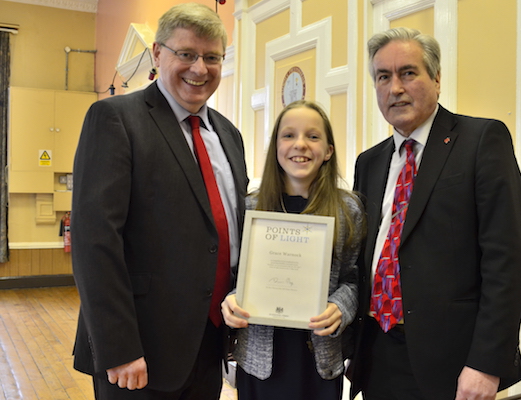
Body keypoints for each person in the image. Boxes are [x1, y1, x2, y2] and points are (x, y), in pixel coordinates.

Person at [70, 3, 248, 399]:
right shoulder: (115, 119)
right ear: (157, 53)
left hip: (208, 343)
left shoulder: (230, 136)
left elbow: (228, 232)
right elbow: (94, 242)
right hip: (138, 353)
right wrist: (119, 349)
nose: (199, 68)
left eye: (212, 57)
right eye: (186, 54)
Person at [347, 27, 521, 400]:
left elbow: (506, 262)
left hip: (453, 364)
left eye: (408, 73)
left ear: (437, 79)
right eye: (383, 77)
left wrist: (485, 363)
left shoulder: (481, 141)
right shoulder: (369, 162)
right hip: (377, 354)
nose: (395, 87)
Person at [221, 100, 364, 400]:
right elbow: (233, 277)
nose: (300, 144)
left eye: (313, 136)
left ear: (328, 150)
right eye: (288, 135)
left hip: (319, 359)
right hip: (261, 361)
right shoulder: (249, 207)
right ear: (275, 147)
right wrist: (232, 300)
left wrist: (341, 306)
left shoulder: (348, 209)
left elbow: (355, 279)